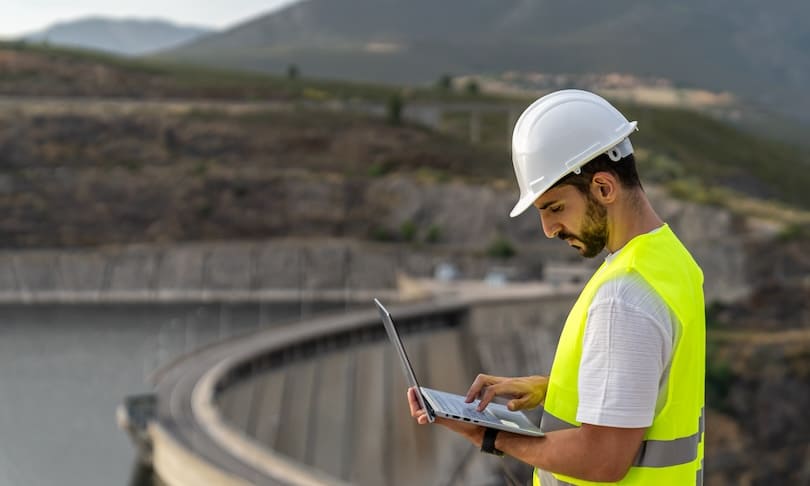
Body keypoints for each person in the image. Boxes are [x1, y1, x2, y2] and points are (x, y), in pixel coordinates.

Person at [407, 90, 705, 485]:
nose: (548, 230)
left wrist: (489, 434)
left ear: (603, 188)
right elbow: (650, 389)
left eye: (555, 208)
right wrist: (553, 387)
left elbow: (603, 461)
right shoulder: (671, 262)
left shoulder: (624, 297)